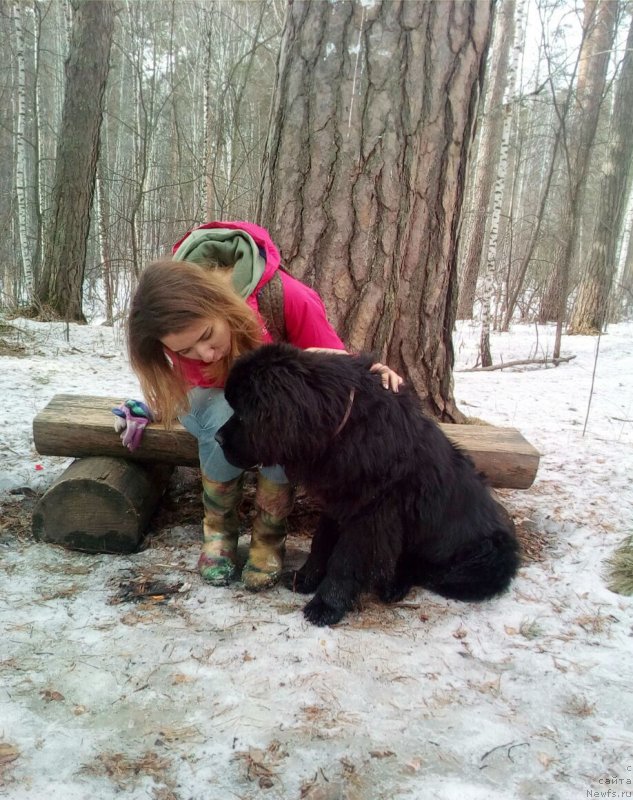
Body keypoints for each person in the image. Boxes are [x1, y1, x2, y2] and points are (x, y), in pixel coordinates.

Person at [125, 221, 402, 592]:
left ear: (222, 304)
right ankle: (219, 532)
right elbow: (192, 385)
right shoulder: (170, 319)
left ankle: (268, 536)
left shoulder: (287, 298)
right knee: (223, 420)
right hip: (214, 407)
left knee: (278, 424)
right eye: (184, 351)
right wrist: (153, 405)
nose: (203, 354)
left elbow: (331, 360)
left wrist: (368, 370)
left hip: (267, 410)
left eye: (208, 337)